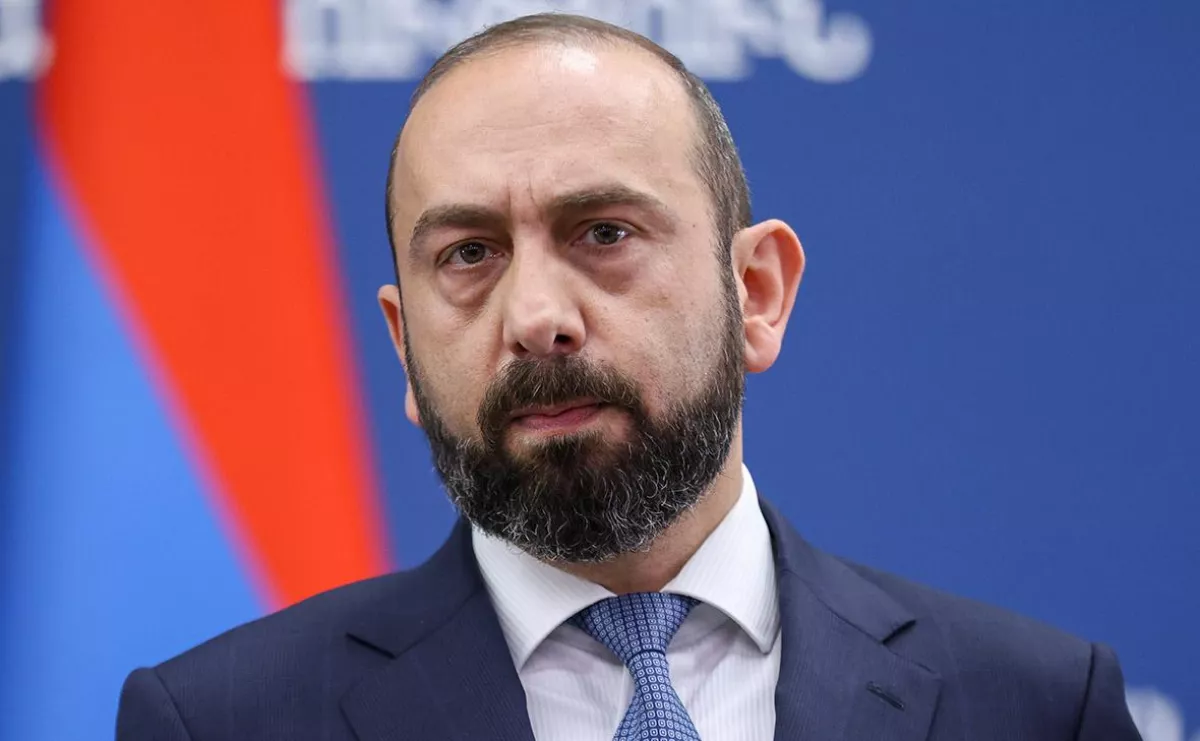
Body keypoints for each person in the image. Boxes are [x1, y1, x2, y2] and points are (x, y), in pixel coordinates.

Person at [116, 13, 1142, 741]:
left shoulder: (1036, 706)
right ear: (404, 348)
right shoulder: (224, 722)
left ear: (757, 292)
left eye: (603, 232)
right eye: (469, 254)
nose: (537, 318)